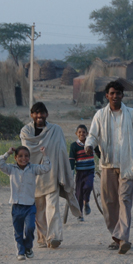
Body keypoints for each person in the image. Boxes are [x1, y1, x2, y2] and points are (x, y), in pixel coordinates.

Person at [85, 81, 133, 254]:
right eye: (112, 93)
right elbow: (92, 135)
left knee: (125, 200)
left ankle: (124, 238)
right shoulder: (100, 115)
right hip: (108, 164)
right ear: (107, 96)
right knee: (109, 202)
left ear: (122, 95)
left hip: (128, 164)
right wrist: (89, 145)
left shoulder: (132, 114)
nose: (115, 96)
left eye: (118, 93)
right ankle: (116, 234)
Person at [20, 102, 81, 249]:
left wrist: (63, 173)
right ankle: (42, 238)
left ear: (47, 114)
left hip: (51, 175)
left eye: (42, 113)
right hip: (33, 178)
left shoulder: (56, 130)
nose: (39, 116)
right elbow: (26, 155)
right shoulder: (26, 132)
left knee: (53, 207)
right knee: (38, 211)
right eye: (36, 113)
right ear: (32, 115)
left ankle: (54, 237)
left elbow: (61, 152)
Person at [0, 145, 51, 260]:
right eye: (20, 156)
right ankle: (21, 252)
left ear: (29, 158)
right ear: (15, 158)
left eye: (26, 156)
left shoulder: (33, 168)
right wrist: (7, 153)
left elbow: (46, 168)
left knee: (30, 228)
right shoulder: (11, 169)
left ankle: (28, 246)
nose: (23, 158)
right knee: (18, 231)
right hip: (16, 206)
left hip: (30, 206)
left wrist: (44, 154)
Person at [68, 124, 98, 222]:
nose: (82, 134)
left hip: (90, 171)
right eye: (79, 132)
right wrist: (71, 172)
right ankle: (80, 214)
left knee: (88, 186)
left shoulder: (91, 144)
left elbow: (99, 153)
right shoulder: (74, 146)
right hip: (80, 172)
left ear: (87, 133)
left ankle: (87, 202)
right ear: (76, 134)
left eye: (84, 132)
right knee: (79, 193)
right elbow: (72, 159)